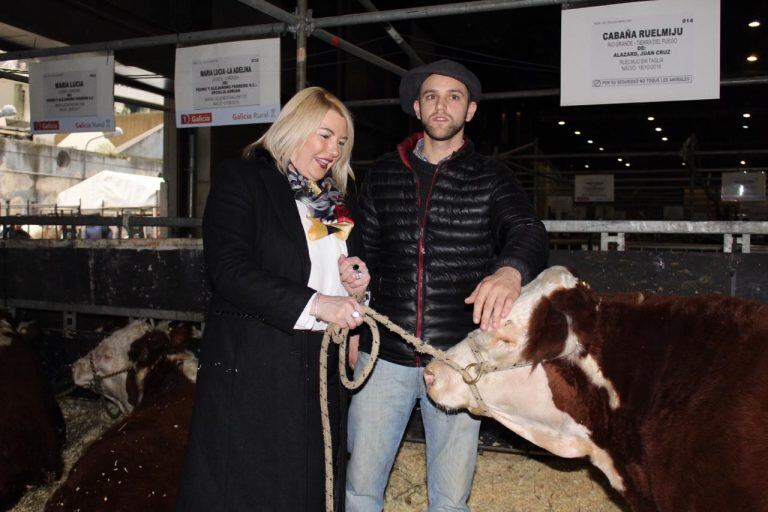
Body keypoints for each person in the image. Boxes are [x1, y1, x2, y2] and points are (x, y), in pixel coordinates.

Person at [346, 59, 549, 511]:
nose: (442, 106)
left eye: (454, 97)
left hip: (457, 358)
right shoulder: (381, 174)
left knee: (452, 496)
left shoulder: (493, 177)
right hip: (385, 355)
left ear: (470, 111)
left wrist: (509, 270)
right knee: (360, 485)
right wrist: (356, 327)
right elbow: (363, 254)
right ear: (417, 107)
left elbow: (528, 230)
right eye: (432, 96)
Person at [177, 86, 370, 512]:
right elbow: (228, 270)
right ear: (293, 128)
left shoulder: (331, 203)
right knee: (254, 481)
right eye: (323, 135)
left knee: (312, 477)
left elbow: (335, 273)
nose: (333, 151)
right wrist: (317, 303)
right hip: (257, 363)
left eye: (341, 143)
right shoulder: (243, 179)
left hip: (320, 361)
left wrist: (356, 288)